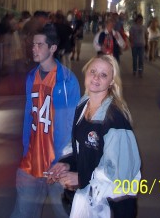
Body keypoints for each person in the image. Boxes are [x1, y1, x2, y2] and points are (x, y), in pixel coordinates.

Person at [49, 55, 141, 218]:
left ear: (112, 81)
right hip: (90, 201)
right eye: (93, 71)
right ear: (86, 74)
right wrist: (66, 164)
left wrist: (81, 178)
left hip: (113, 206)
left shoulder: (114, 118)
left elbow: (122, 171)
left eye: (104, 75)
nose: (96, 78)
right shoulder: (83, 105)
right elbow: (79, 146)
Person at [10, 24, 80, 218]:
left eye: (40, 45)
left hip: (57, 162)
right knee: (23, 211)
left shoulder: (67, 81)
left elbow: (71, 124)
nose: (34, 49)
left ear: (53, 48)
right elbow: (28, 116)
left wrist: (65, 161)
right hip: (32, 159)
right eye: (33, 45)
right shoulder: (31, 77)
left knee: (63, 211)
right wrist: (25, 150)